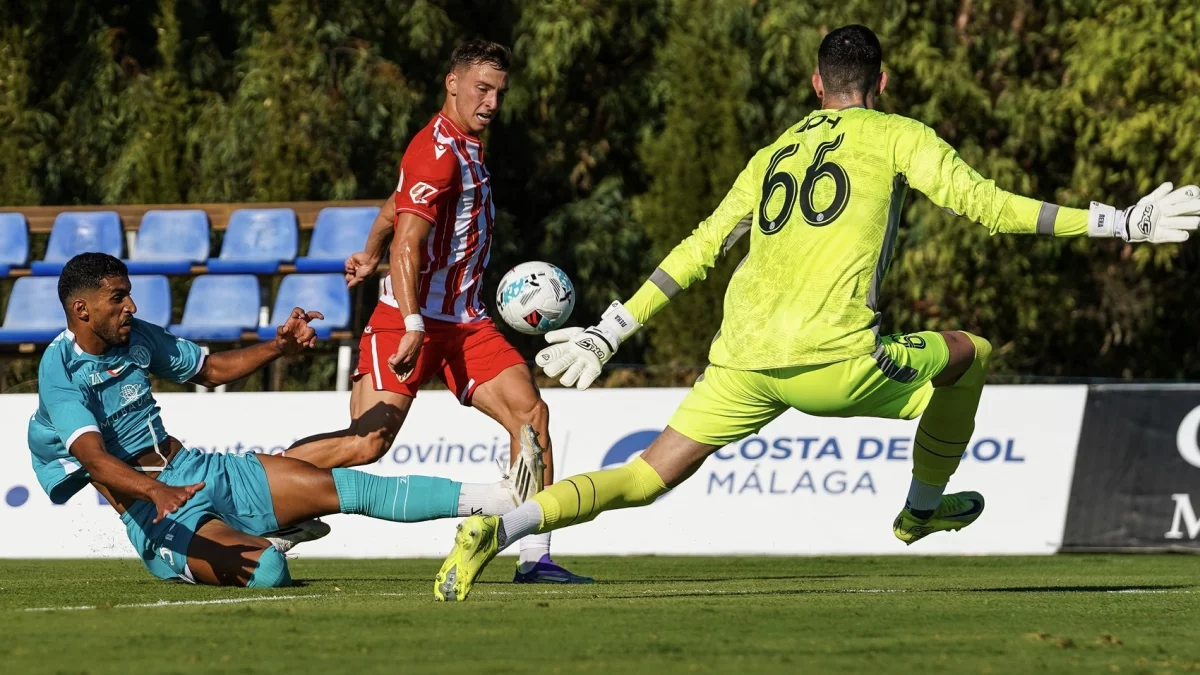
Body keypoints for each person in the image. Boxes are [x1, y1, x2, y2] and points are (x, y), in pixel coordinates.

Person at [431, 24, 1200, 601]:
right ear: (883, 82)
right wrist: (1118, 222)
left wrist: (611, 328)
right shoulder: (898, 135)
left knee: (642, 476)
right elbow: (991, 208)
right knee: (974, 351)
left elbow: (701, 246)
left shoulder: (773, 152)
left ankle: (503, 527)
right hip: (838, 362)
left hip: (742, 362)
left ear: (814, 84)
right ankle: (921, 511)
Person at [29, 253, 536, 587]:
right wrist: (154, 492)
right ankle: (245, 546)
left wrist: (279, 346)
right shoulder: (61, 369)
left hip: (201, 470)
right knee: (268, 570)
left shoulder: (136, 333)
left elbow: (210, 369)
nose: (130, 305)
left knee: (353, 487)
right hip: (158, 512)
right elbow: (93, 459)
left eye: (128, 293)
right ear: (82, 309)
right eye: (118, 297)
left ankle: (504, 497)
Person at [285, 39, 590, 584]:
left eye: (499, 92)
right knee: (366, 442)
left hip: (467, 322)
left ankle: (535, 557)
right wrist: (412, 319)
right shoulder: (437, 150)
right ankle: (267, 491)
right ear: (453, 83)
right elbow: (410, 242)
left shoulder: (466, 145)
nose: (493, 101)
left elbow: (394, 204)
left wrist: (370, 249)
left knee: (531, 417)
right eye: (482, 88)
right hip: (408, 321)